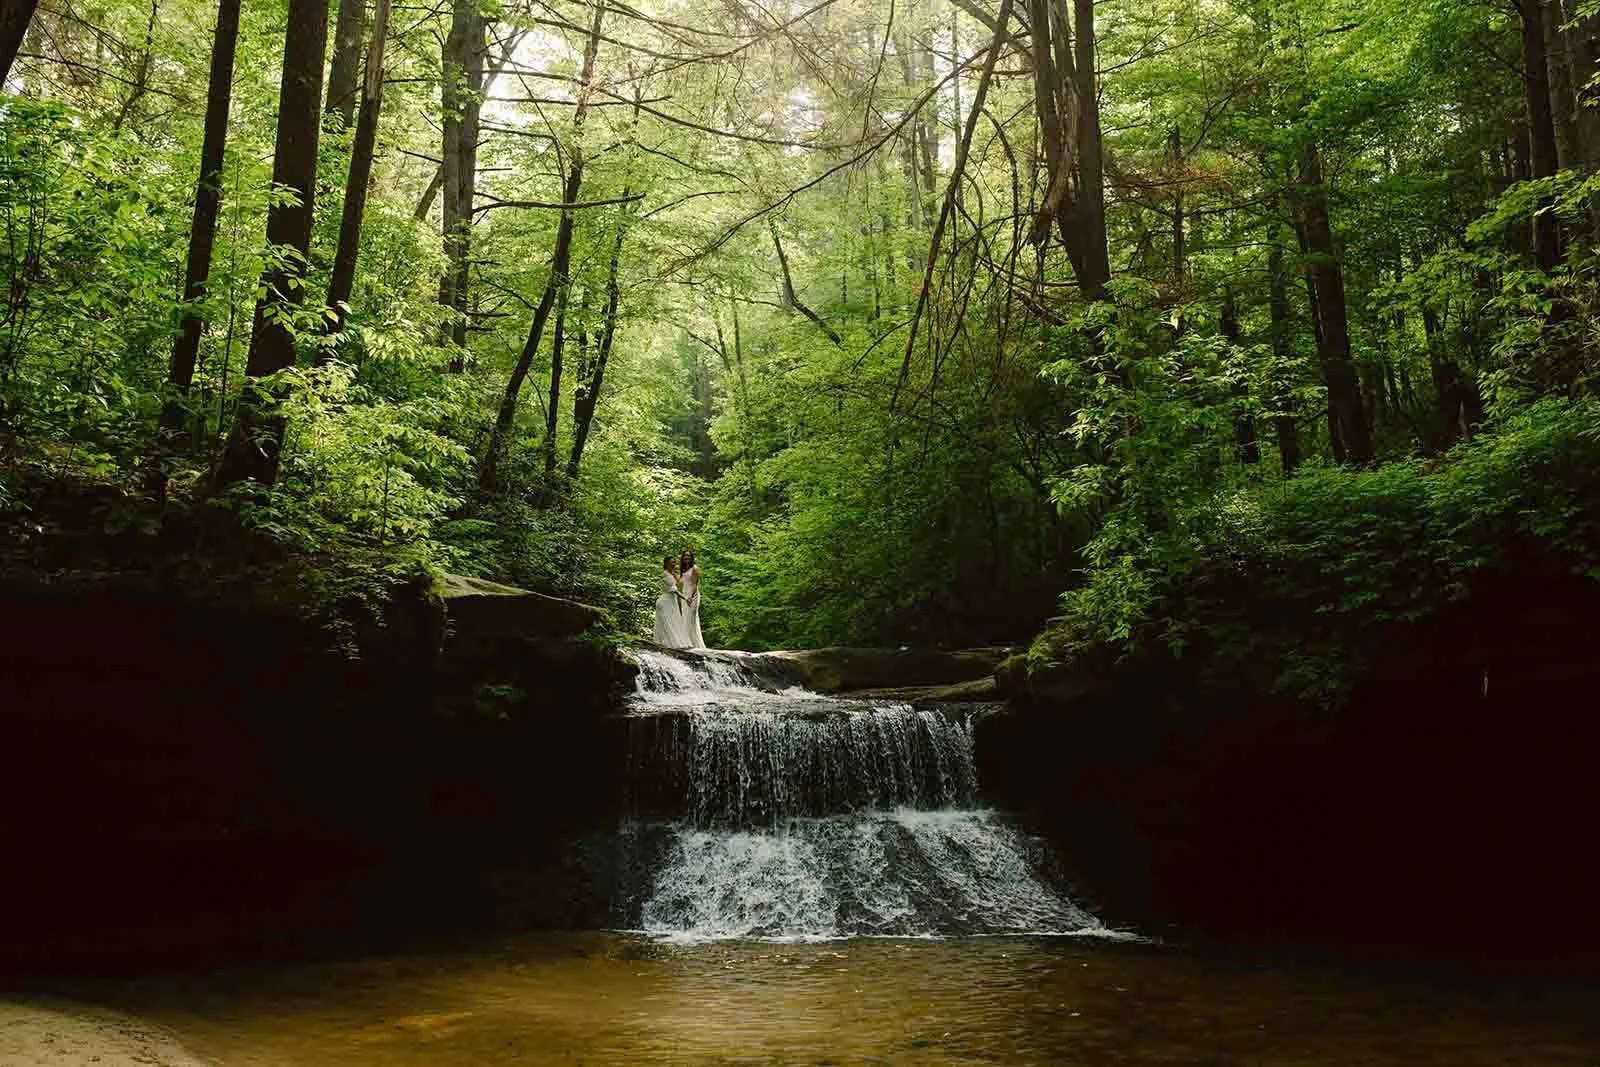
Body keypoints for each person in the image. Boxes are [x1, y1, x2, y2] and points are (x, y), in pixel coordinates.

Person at [653, 555, 689, 647]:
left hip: (671, 601)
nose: (674, 563)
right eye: (672, 562)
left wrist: (673, 572)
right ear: (666, 563)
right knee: (668, 623)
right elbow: (675, 590)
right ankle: (669, 645)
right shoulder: (665, 574)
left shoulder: (671, 574)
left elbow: (680, 582)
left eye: (675, 562)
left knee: (673, 622)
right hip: (665, 602)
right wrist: (685, 599)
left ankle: (669, 645)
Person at [679, 549, 705, 649]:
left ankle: (694, 644)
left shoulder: (694, 568)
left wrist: (690, 597)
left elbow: (695, 584)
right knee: (684, 618)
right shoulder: (683, 570)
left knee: (691, 618)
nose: (687, 557)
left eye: (689, 556)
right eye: (685, 556)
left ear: (692, 558)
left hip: (692, 596)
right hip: (684, 596)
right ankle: (686, 642)